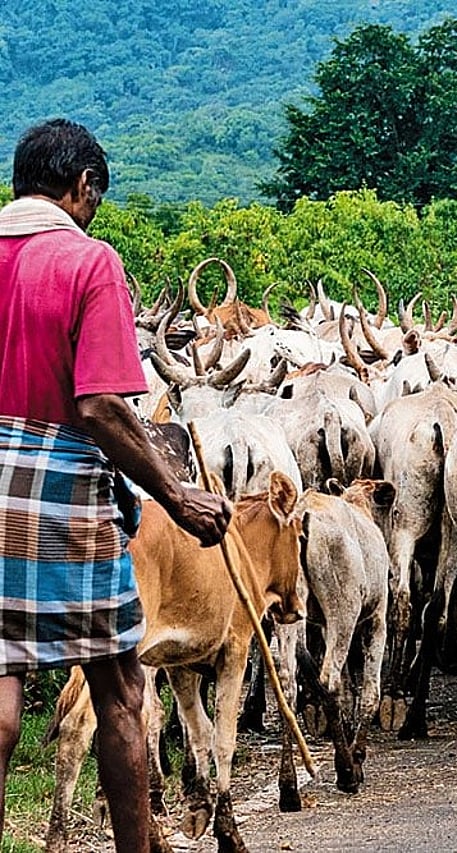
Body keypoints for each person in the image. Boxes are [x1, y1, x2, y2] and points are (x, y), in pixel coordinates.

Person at [0, 118, 232, 852]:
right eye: (94, 196)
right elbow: (101, 405)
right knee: (123, 694)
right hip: (60, 494)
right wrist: (179, 494)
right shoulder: (88, 261)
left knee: (1, 699)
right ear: (81, 186)